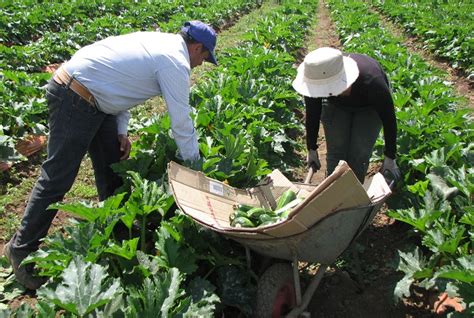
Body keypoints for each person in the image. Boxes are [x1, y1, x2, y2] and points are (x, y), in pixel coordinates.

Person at [3, 20, 218, 290]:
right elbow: (181, 123)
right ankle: (21, 250)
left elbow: (122, 84)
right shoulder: (174, 61)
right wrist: (195, 169)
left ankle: (119, 231)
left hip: (95, 98)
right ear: (197, 47)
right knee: (58, 177)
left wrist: (121, 130)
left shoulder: (160, 42)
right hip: (75, 95)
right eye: (205, 57)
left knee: (112, 167)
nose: (201, 64)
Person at [292, 47, 400, 184]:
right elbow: (313, 113)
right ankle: (331, 190)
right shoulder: (315, 78)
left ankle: (353, 193)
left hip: (368, 108)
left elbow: (388, 119)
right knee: (336, 152)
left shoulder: (373, 81)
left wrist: (390, 157)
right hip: (336, 107)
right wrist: (311, 148)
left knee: (359, 154)